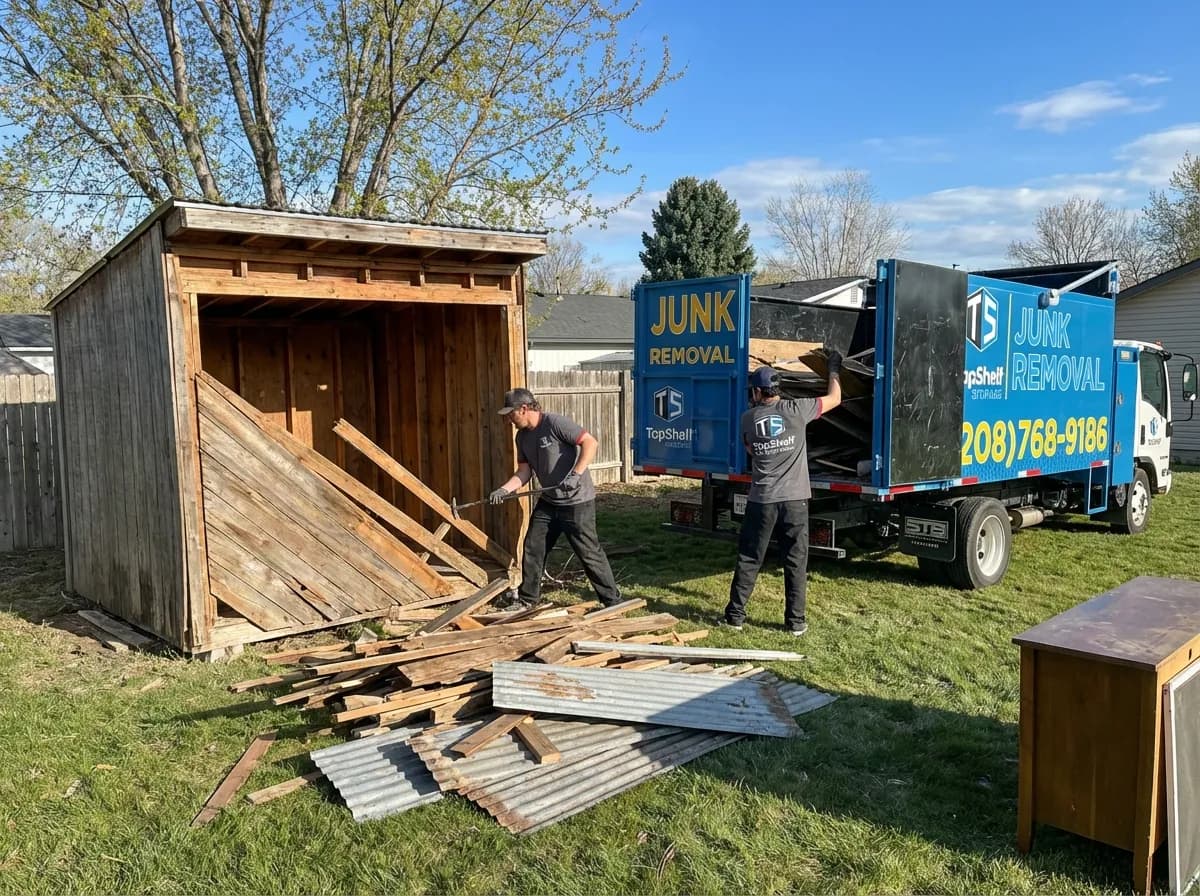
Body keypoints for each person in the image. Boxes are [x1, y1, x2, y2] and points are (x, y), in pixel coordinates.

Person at [722, 352, 843, 636]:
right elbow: (835, 398)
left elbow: (750, 449)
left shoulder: (747, 419)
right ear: (778, 388)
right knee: (795, 562)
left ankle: (735, 617)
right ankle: (795, 623)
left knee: (750, 558)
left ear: (756, 391)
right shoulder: (797, 410)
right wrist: (834, 370)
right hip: (795, 501)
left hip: (761, 500)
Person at [490, 387, 621, 609]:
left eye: (511, 414)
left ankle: (612, 601)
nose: (509, 420)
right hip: (550, 501)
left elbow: (590, 442)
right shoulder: (522, 437)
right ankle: (528, 600)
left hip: (577, 501)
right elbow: (524, 472)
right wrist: (504, 490)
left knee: (588, 553)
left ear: (523, 409)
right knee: (533, 546)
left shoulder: (555, 423)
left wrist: (576, 474)